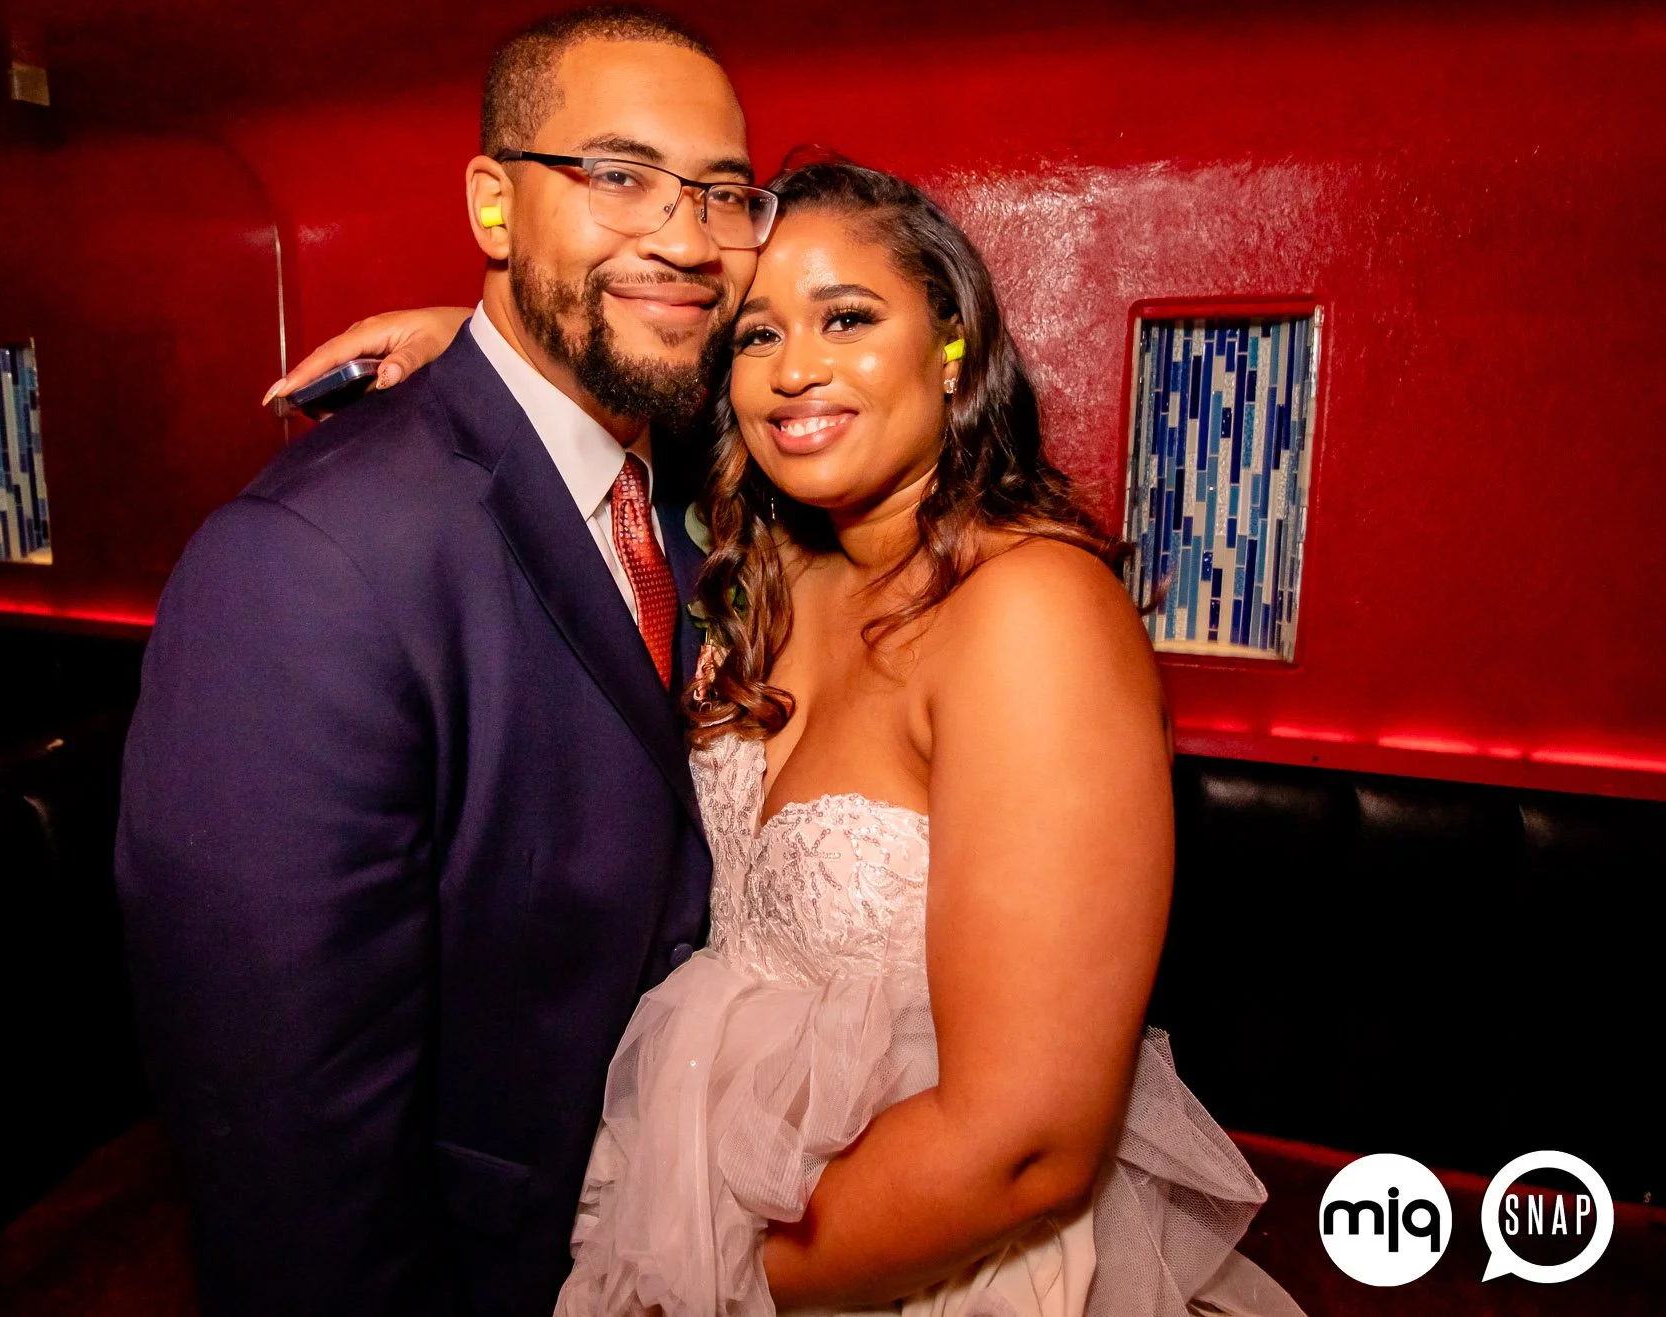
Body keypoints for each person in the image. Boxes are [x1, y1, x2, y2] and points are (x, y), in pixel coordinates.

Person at [287, 160, 1306, 1315]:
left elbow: (1026, 1148)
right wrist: (479, 352)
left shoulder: (1029, 613)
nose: (793, 370)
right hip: (700, 1165)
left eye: (847, 318)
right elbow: (594, 439)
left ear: (953, 342)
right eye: (755, 335)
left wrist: (706, 1284)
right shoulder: (768, 568)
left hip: (917, 1244)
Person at [115, 6, 767, 1314]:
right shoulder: (303, 561)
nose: (688, 237)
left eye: (721, 194)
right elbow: (283, 1130)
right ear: (492, 204)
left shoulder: (708, 480)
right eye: (618, 175)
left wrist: (507, 327)